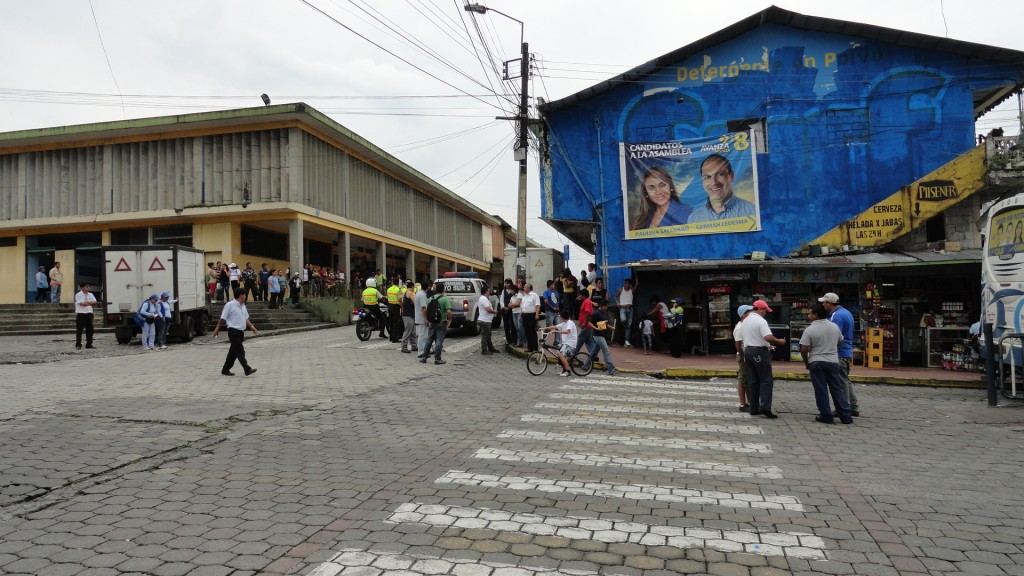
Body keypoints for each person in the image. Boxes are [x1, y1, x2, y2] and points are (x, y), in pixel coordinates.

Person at [800, 303, 853, 424]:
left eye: (810, 313)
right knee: (836, 388)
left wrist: (806, 362)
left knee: (821, 389)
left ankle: (826, 414)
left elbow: (803, 349)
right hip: (833, 361)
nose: (809, 316)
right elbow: (840, 341)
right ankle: (845, 415)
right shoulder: (834, 327)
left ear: (816, 315)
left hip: (817, 361)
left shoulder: (810, 329)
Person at [741, 300, 789, 418]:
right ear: (761, 309)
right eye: (765, 311)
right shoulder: (760, 321)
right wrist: (780, 341)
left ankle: (753, 408)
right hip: (759, 352)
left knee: (753, 380)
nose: (766, 313)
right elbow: (768, 337)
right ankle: (765, 407)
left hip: (748, 351)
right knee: (766, 380)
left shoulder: (745, 320)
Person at [819, 292, 860, 417]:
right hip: (846, 351)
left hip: (839, 352)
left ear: (829, 303)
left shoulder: (836, 316)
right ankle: (852, 406)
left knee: (840, 382)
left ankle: (844, 407)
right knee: (845, 380)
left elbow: (834, 335)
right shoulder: (846, 312)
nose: (822, 305)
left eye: (824, 303)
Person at [686, 154, 757, 223]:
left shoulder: (752, 212)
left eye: (720, 174)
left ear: (731, 176)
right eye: (707, 177)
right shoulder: (694, 218)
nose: (714, 182)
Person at [213, 291, 258, 376]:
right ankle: (247, 369)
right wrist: (217, 329)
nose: (245, 296)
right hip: (233, 331)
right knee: (240, 350)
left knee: (233, 353)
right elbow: (222, 318)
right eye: (244, 294)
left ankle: (225, 369)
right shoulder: (230, 305)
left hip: (241, 331)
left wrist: (252, 327)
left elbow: (245, 318)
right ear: (241, 295)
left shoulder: (243, 306)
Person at [539, 310, 579, 377]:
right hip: (565, 342)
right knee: (558, 353)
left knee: (560, 354)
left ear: (563, 317)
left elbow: (567, 331)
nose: (560, 318)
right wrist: (544, 328)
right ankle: (564, 370)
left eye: (561, 316)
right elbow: (554, 327)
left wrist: (557, 331)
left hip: (570, 343)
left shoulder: (570, 323)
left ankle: (568, 371)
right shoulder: (563, 323)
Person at [421, 283, 451, 365]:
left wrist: (427, 320)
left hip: (432, 322)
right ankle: (437, 359)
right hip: (441, 322)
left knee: (429, 339)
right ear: (443, 290)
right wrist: (450, 319)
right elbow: (448, 311)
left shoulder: (430, 298)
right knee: (439, 341)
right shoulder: (445, 299)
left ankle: (424, 357)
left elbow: (426, 310)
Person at [590, 298, 618, 376]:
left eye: (607, 306)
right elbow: (589, 322)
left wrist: (610, 327)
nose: (606, 307)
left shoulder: (605, 313)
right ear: (601, 306)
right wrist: (595, 328)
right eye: (605, 306)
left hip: (602, 334)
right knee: (606, 352)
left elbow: (605, 324)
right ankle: (611, 369)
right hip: (597, 335)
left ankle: (586, 365)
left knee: (594, 352)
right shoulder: (596, 314)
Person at [733, 304, 753, 412]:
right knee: (743, 379)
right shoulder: (739, 327)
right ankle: (743, 404)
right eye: (749, 311)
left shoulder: (746, 325)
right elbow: (738, 345)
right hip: (743, 355)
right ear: (744, 314)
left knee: (748, 380)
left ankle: (750, 402)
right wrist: (743, 356)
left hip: (747, 354)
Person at [74, 281, 97, 349]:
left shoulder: (91, 294)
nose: (88, 288)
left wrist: (87, 302)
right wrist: (90, 303)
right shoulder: (78, 295)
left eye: (88, 286)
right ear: (82, 287)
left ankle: (89, 344)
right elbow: (82, 303)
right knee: (79, 330)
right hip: (81, 314)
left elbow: (95, 302)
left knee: (90, 329)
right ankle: (78, 344)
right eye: (86, 286)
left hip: (89, 313)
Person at [476, 285, 499, 355]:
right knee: (485, 336)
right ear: (486, 291)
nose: (489, 292)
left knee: (488, 335)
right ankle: (484, 350)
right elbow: (488, 309)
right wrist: (495, 312)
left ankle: (491, 348)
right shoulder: (484, 299)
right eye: (488, 291)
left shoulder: (483, 298)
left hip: (485, 319)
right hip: (485, 320)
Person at [615, 277, 636, 347]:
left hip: (630, 308)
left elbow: (638, 284)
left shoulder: (631, 290)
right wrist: (617, 302)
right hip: (623, 308)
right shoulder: (621, 290)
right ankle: (626, 328)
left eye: (626, 283)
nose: (625, 284)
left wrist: (635, 273)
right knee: (623, 320)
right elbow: (615, 296)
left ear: (630, 284)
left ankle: (626, 340)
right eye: (624, 283)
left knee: (629, 325)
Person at [520, 283, 541, 352]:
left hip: (531, 315)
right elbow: (522, 306)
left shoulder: (534, 295)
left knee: (532, 332)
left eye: (525, 287)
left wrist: (537, 314)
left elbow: (537, 305)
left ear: (529, 288)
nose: (523, 288)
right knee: (526, 332)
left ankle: (535, 347)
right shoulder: (524, 296)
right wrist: (521, 314)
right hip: (524, 315)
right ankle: (530, 347)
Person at [415, 279, 433, 357]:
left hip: (420, 317)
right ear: (428, 287)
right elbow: (424, 309)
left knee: (422, 335)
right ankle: (421, 352)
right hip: (422, 318)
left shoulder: (418, 293)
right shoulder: (422, 295)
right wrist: (426, 319)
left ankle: (423, 351)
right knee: (423, 335)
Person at [400, 280, 417, 353]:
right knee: (408, 331)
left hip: (409, 315)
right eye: (413, 287)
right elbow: (415, 302)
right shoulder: (409, 293)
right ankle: (404, 347)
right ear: (412, 287)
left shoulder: (406, 292)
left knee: (412, 331)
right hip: (408, 315)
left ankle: (414, 345)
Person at [386, 277, 403, 343]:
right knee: (396, 322)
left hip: (389, 306)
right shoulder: (398, 289)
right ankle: (395, 338)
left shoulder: (389, 289)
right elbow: (400, 300)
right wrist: (402, 307)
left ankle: (391, 337)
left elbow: (387, 297)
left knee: (391, 322)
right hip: (396, 306)